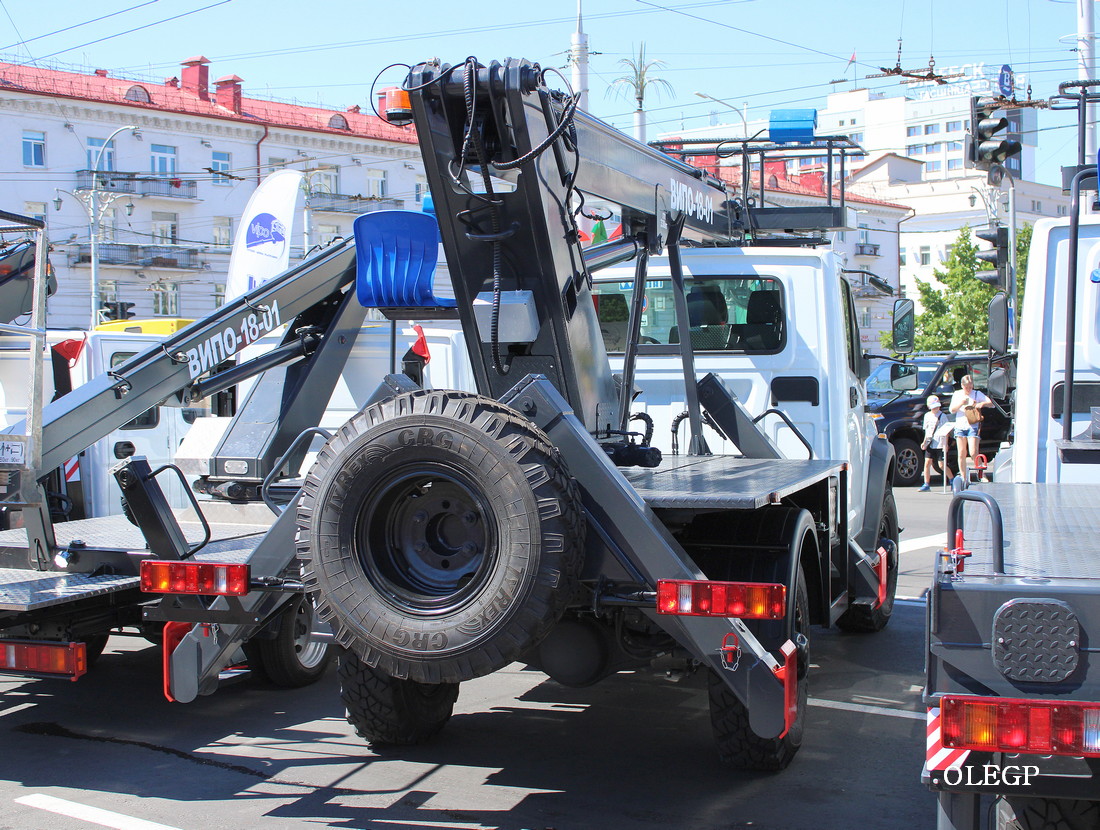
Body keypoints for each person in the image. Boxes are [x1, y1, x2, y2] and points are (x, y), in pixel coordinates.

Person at [949, 374, 992, 481]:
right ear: (962, 386)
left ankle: (980, 473)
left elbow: (991, 403)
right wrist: (961, 403)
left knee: (973, 452)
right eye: (966, 387)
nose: (968, 389)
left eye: (970, 387)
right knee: (962, 452)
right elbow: (952, 410)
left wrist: (981, 404)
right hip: (960, 425)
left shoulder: (977, 394)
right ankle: (963, 477)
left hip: (972, 425)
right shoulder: (957, 394)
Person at [919, 395, 953, 491]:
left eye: (937, 406)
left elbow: (946, 431)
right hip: (930, 442)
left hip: (940, 443)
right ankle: (926, 483)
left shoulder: (943, 416)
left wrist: (945, 444)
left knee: (941, 464)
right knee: (927, 463)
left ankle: (952, 479)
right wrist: (924, 442)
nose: (936, 408)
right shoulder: (927, 416)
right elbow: (927, 430)